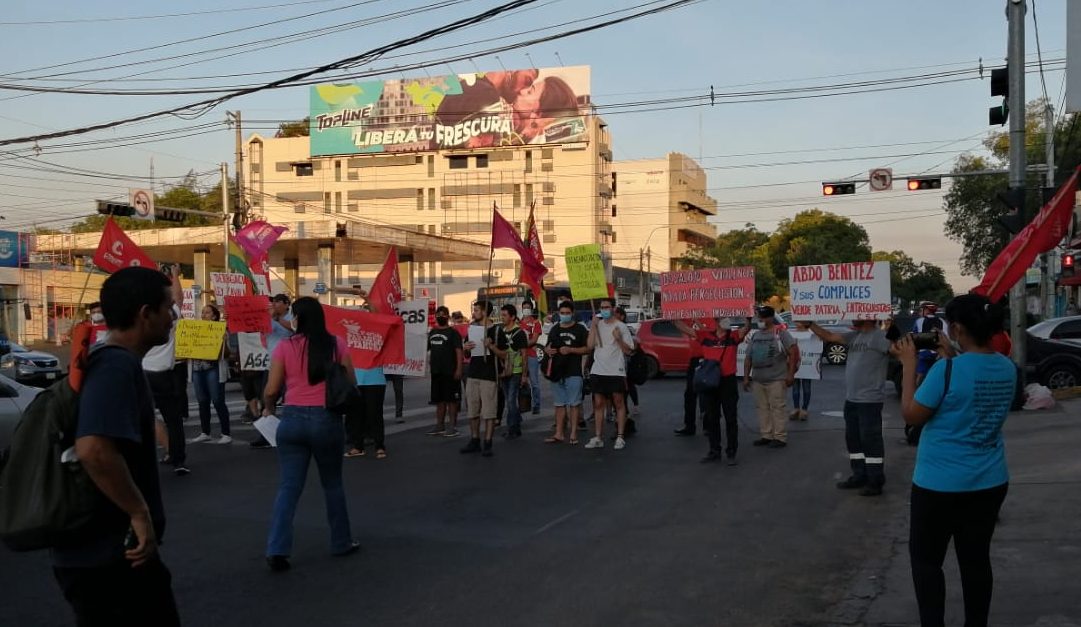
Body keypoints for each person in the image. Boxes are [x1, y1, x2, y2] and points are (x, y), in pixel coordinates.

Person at [52, 267, 182, 626]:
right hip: (110, 558)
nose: (173, 318)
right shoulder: (115, 366)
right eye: (168, 308)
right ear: (145, 314)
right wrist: (138, 512)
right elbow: (93, 448)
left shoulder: (108, 360)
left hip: (105, 555)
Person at [894, 294, 1015, 627]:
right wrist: (953, 355)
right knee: (976, 561)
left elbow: (911, 415)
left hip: (938, 486)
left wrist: (908, 365)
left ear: (958, 328)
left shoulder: (944, 371)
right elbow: (974, 383)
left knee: (927, 562)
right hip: (990, 481)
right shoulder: (1007, 367)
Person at [263, 297, 360, 572]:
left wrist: (269, 410)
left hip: (291, 420)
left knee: (288, 487)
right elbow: (350, 382)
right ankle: (341, 541)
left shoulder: (285, 346)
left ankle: (277, 547)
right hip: (325, 419)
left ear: (297, 318)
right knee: (332, 484)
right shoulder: (336, 344)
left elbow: (271, 390)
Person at [809, 318, 899, 496]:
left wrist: (892, 329)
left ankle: (875, 480)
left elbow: (896, 350)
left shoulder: (879, 337)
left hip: (870, 400)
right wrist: (810, 323)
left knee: (870, 440)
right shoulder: (855, 336)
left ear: (868, 317)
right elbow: (830, 336)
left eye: (857, 314)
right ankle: (859, 474)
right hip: (852, 399)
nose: (853, 317)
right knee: (854, 439)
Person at [142, 263, 190, 476]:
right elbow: (179, 300)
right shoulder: (167, 317)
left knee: (139, 418)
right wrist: (175, 276)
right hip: (163, 375)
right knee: (174, 420)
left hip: (142, 374)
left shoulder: (141, 317)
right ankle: (178, 459)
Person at [743, 306, 799, 449]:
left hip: (776, 378)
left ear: (769, 318)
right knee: (762, 408)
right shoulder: (756, 335)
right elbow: (748, 358)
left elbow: (793, 352)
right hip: (758, 378)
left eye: (762, 318)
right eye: (759, 318)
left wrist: (790, 374)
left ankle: (780, 437)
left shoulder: (781, 334)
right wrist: (746, 377)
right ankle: (766, 435)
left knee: (777, 407)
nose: (760, 321)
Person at [696, 316, 750, 465]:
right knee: (712, 417)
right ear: (717, 321)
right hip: (711, 381)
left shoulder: (733, 336)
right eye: (724, 319)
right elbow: (685, 329)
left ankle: (731, 452)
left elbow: (746, 329)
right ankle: (714, 450)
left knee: (730, 417)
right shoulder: (705, 335)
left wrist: (748, 317)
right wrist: (674, 316)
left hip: (728, 381)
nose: (728, 321)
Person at [584, 299, 634, 450]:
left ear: (613, 308)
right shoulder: (597, 324)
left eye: (606, 307)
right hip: (598, 370)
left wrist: (618, 339)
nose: (604, 310)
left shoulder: (621, 327)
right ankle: (598, 437)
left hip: (615, 371)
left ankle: (620, 436)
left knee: (618, 402)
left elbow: (629, 351)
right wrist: (593, 326)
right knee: (598, 404)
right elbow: (590, 346)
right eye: (601, 307)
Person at [251, 294, 294, 450]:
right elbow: (252, 328)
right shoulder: (267, 317)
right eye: (273, 302)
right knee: (267, 398)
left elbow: (294, 328)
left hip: (290, 365)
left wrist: (277, 320)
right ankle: (267, 435)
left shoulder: (293, 315)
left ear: (286, 304)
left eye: (277, 302)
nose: (274, 305)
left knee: (290, 401)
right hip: (272, 364)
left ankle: (290, 433)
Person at [543, 300, 589, 445]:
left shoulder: (580, 330)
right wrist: (547, 350)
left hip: (573, 371)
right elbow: (547, 347)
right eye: (562, 313)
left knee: (574, 404)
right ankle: (559, 434)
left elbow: (587, 349)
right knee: (559, 404)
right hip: (557, 371)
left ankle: (573, 433)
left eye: (567, 313)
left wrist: (571, 350)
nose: (564, 315)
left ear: (572, 313)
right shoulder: (555, 329)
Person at [188, 304, 232, 445]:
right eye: (202, 312)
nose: (203, 315)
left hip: (214, 368)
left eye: (207, 312)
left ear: (214, 316)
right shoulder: (195, 329)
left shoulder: (221, 330)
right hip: (197, 368)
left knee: (218, 400)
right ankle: (205, 432)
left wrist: (223, 341)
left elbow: (227, 353)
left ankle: (226, 433)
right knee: (202, 401)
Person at [461, 300, 500, 457]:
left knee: (489, 411)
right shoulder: (472, 329)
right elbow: (467, 354)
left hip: (489, 375)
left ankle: (488, 441)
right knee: (472, 410)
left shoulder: (497, 330)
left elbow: (504, 354)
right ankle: (475, 439)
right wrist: (466, 349)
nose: (474, 312)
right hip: (473, 373)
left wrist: (491, 346)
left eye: (477, 310)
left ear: (484, 312)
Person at [673, 317, 717, 437]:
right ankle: (689, 425)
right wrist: (673, 316)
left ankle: (708, 426)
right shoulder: (690, 319)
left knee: (707, 393)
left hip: (707, 358)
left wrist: (697, 321)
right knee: (689, 393)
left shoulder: (710, 319)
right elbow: (681, 326)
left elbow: (708, 335)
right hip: (694, 360)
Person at [492, 304, 529, 440]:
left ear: (513, 317)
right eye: (502, 315)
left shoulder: (519, 333)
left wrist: (524, 375)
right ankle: (516, 424)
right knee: (508, 399)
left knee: (511, 401)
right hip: (504, 370)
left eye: (505, 315)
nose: (502, 317)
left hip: (515, 370)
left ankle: (512, 428)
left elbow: (524, 354)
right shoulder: (500, 331)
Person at [426, 306, 464, 437]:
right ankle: (439, 425)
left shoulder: (453, 333)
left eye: (443, 314)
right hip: (436, 372)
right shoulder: (432, 332)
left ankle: (452, 426)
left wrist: (459, 369)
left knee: (451, 401)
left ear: (447, 316)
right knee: (439, 400)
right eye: (438, 315)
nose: (440, 316)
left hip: (450, 372)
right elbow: (425, 349)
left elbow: (459, 351)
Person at [345, 365, 389, 459]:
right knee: (356, 415)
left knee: (375, 414)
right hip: (356, 380)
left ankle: (379, 446)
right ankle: (358, 446)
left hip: (376, 380)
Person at [913, 302, 946, 387]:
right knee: (937, 376)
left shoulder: (919, 321)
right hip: (939, 354)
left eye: (921, 310)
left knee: (920, 375)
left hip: (924, 353)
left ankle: (918, 394)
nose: (920, 312)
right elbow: (946, 337)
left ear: (926, 311)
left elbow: (914, 336)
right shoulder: (942, 321)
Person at [520, 299, 543, 415]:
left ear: (532, 308)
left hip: (531, 355)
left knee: (534, 382)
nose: (526, 309)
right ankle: (522, 404)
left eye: (528, 307)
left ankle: (536, 405)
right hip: (519, 356)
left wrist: (521, 345)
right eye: (524, 307)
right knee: (520, 380)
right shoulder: (518, 323)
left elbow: (534, 339)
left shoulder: (536, 323)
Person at [789, 321, 814, 421]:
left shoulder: (812, 334)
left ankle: (804, 409)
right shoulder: (792, 334)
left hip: (808, 366)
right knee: (795, 388)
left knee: (806, 388)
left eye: (799, 321)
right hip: (795, 365)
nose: (796, 323)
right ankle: (796, 408)